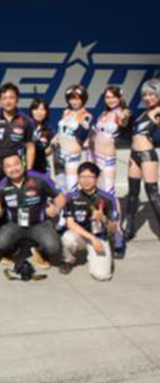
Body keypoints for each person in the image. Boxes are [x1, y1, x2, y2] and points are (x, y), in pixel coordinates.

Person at [0, 151, 65, 269]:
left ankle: (38, 250)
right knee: (1, 242)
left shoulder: (40, 178)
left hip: (39, 224)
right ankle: (14, 248)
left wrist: (56, 208)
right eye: (9, 166)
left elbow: (60, 197)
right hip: (15, 224)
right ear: (4, 170)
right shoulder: (0, 186)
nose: (13, 169)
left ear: (23, 164)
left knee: (53, 247)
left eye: (16, 164)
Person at [59, 162, 121, 280]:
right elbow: (70, 223)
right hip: (80, 235)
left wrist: (103, 218)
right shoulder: (71, 197)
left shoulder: (108, 198)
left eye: (90, 177)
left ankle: (98, 254)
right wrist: (92, 238)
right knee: (67, 238)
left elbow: (113, 230)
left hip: (100, 237)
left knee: (102, 276)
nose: (85, 180)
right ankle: (68, 260)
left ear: (96, 178)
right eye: (82, 177)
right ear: (78, 178)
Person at [0, 83, 36, 201]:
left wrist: (29, 171)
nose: (8, 101)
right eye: (4, 98)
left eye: (11, 97)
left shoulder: (26, 120)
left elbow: (30, 147)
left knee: (18, 204)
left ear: (17, 99)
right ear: (0, 100)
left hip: (17, 171)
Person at [125, 79, 160, 240]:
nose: (148, 98)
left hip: (147, 155)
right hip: (134, 155)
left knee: (152, 193)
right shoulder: (143, 113)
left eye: (152, 94)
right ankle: (130, 228)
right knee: (132, 193)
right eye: (145, 95)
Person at [89, 86, 130, 195]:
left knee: (108, 190)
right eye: (107, 97)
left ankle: (114, 207)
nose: (110, 100)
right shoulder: (103, 113)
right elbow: (94, 132)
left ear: (120, 98)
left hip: (107, 157)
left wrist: (123, 118)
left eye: (113, 97)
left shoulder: (123, 112)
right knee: (97, 189)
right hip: (94, 155)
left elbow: (124, 121)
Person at [54, 85, 92, 192]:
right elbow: (60, 130)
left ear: (83, 99)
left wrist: (84, 125)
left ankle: (74, 203)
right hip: (58, 151)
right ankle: (62, 203)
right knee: (60, 185)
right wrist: (55, 138)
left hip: (72, 153)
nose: (74, 102)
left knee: (72, 185)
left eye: (77, 99)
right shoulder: (66, 112)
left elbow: (84, 130)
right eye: (71, 99)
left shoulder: (86, 115)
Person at [30, 98, 55, 175]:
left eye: (42, 109)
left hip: (42, 167)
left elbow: (49, 151)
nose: (39, 112)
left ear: (46, 112)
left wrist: (52, 145)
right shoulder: (25, 126)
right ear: (31, 111)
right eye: (36, 109)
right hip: (26, 167)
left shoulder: (49, 130)